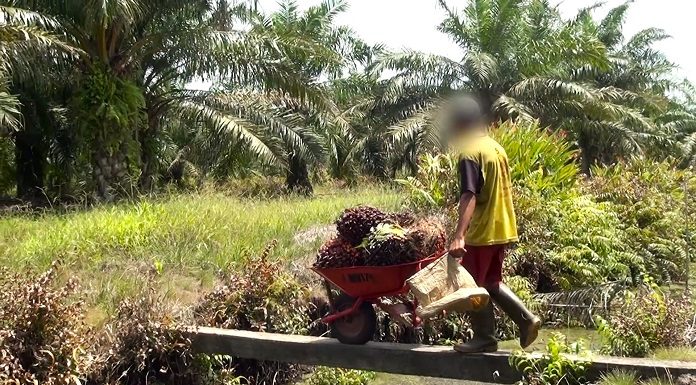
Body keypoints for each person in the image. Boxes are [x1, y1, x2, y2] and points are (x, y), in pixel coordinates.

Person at [446, 95, 541, 353]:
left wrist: (459, 235)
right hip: (502, 228)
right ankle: (526, 319)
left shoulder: (469, 152)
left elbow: (469, 194)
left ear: (460, 123)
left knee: (472, 285)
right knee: (490, 282)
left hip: (482, 231)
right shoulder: (495, 147)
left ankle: (484, 337)